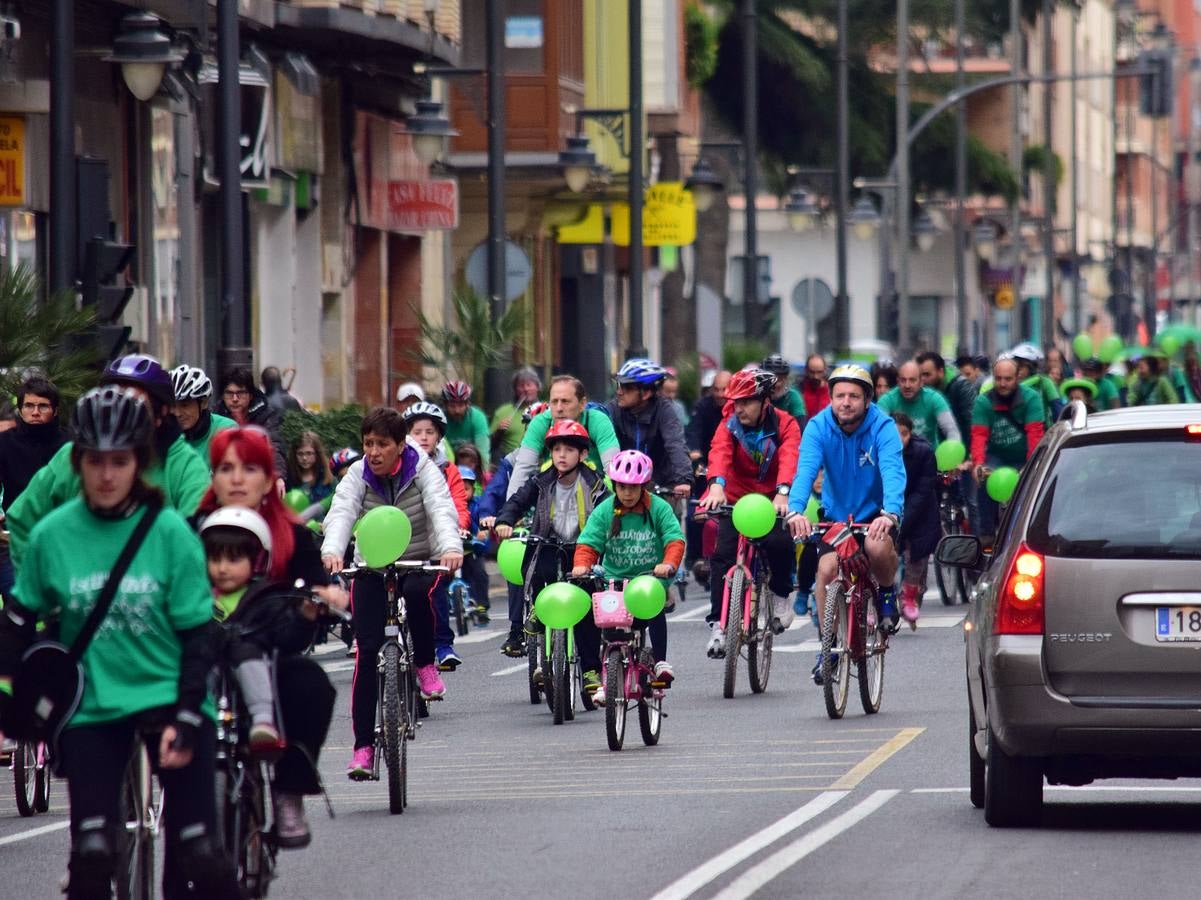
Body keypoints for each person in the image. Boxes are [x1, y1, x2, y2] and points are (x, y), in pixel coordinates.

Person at [0, 386, 241, 898]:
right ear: (77, 462)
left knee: (205, 859)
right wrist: (9, 697)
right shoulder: (53, 536)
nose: (107, 476)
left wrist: (187, 716)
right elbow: (16, 625)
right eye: (95, 462)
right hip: (92, 711)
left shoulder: (170, 532)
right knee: (91, 859)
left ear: (139, 462)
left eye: (120, 461)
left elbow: (199, 634)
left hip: (170, 699)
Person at [195, 426, 347, 846]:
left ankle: (288, 794)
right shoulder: (190, 530)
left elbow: (320, 589)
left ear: (268, 478)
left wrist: (321, 600)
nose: (237, 479)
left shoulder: (292, 534)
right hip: (199, 653)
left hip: (269, 652)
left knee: (312, 685)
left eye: (249, 468)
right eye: (225, 469)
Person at [321, 407, 462, 780]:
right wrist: (333, 551)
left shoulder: (423, 470)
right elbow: (341, 512)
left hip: (419, 558)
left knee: (418, 595)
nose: (374, 451)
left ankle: (425, 664)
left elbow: (441, 508)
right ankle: (363, 749)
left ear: (401, 445)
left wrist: (450, 548)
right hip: (372, 563)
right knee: (366, 653)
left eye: (382, 444)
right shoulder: (357, 475)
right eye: (368, 443)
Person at [6, 354, 211, 569]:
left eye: (134, 405)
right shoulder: (72, 455)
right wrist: (44, 585)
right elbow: (22, 521)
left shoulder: (184, 464)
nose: (120, 414)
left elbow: (195, 538)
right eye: (112, 400)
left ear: (161, 414)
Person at [786, 365, 907, 681]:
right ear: (831, 398)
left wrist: (890, 512)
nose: (846, 402)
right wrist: (795, 510)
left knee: (876, 547)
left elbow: (893, 471)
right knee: (826, 570)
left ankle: (885, 593)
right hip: (836, 517)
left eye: (854, 396)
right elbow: (805, 472)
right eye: (839, 395)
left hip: (877, 515)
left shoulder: (883, 426)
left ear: (867, 400)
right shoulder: (817, 427)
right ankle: (828, 648)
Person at [493, 420, 608, 689]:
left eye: (569, 450)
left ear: (582, 455)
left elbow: (607, 509)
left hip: (582, 549)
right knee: (534, 564)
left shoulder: (594, 483)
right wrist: (505, 519)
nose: (562, 455)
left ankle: (591, 671)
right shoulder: (541, 481)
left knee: (585, 608)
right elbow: (518, 500)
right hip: (547, 543)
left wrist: (607, 535)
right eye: (556, 450)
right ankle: (536, 609)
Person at [697, 368, 801, 655]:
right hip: (736, 499)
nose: (738, 408)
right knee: (722, 556)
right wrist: (716, 487)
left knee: (780, 542)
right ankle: (719, 624)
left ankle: (780, 595)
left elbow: (790, 456)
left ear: (764, 401)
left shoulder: (785, 424)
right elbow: (719, 453)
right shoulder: (729, 425)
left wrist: (783, 492)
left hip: (771, 499)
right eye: (735, 401)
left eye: (745, 402)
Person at [570, 450, 684, 698]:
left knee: (651, 599)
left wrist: (667, 564)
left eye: (634, 487)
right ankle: (597, 673)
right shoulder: (605, 511)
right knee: (590, 606)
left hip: (647, 579)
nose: (628, 493)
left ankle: (660, 661)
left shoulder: (659, 509)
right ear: (615, 485)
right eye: (622, 487)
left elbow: (674, 540)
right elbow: (588, 543)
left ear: (643, 486)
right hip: (614, 580)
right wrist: (582, 565)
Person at [200, 507, 288, 758]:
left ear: (258, 561)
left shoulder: (264, 596)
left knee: (247, 651)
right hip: (211, 666)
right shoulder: (200, 598)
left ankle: (263, 720)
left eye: (233, 559)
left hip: (248, 663)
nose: (222, 568)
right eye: (215, 560)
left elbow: (281, 627)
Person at [403, 401, 469, 669]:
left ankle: (442, 644)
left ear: (439, 437)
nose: (423, 437)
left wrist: (460, 527)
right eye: (417, 432)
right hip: (400, 540)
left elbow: (457, 503)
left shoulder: (447, 469)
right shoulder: (398, 465)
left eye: (429, 432)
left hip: (436, 542)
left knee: (434, 591)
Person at [0, 375, 68, 594]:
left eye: (43, 406)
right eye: (29, 405)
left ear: (55, 410)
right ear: (20, 409)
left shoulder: (70, 445)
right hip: (13, 539)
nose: (35, 412)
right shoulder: (5, 443)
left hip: (62, 540)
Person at [508, 375, 620, 499]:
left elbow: (613, 469)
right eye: (554, 402)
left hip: (595, 497)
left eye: (565, 401)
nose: (559, 408)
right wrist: (509, 514)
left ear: (582, 404)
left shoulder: (598, 421)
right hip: (553, 498)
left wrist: (612, 509)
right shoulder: (540, 423)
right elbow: (523, 469)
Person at [969, 356, 1045, 539]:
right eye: (998, 379)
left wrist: (1030, 466)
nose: (1002, 384)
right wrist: (978, 463)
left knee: (1030, 488)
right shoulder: (983, 402)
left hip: (1023, 455)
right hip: (997, 456)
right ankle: (986, 534)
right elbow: (979, 435)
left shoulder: (1031, 398)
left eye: (1008, 379)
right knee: (984, 480)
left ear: (1017, 378)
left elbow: (1035, 435)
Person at [605, 358, 693, 500]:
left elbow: (675, 444)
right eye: (619, 386)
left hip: (661, 484)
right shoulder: (613, 409)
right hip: (624, 484)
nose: (619, 392)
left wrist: (683, 480)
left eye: (627, 388)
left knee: (667, 518)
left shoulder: (665, 410)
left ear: (646, 393)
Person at [892, 413, 939, 622]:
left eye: (904, 433)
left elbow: (924, 488)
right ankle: (881, 596)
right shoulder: (877, 451)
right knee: (883, 550)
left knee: (917, 555)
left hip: (921, 509)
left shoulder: (923, 452)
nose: (899, 438)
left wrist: (905, 516)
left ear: (911, 434)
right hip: (889, 507)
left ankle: (909, 595)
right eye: (894, 434)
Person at [214, 366, 287, 481]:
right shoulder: (215, 415)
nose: (234, 399)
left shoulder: (266, 415)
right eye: (229, 393)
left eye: (240, 393)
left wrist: (278, 478)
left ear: (250, 395)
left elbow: (275, 447)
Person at [877, 360, 961, 449]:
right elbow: (878, 430)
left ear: (921, 382)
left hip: (929, 456)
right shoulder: (886, 400)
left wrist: (952, 453)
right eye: (903, 380)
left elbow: (951, 430)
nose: (907, 385)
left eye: (912, 380)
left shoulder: (934, 398)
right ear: (898, 381)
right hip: (896, 455)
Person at [169, 364, 236, 466]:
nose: (177, 413)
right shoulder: (164, 436)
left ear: (204, 403)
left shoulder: (226, 429)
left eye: (185, 405)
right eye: (173, 406)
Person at [453, 462, 490, 625]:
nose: (463, 493)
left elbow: (483, 520)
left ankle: (481, 604)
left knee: (479, 574)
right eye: (459, 489)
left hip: (472, 549)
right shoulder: (449, 506)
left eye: (466, 489)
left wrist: (482, 532)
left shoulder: (477, 505)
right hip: (453, 550)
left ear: (473, 489)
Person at [490, 367, 542, 458]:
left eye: (529, 385)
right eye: (521, 385)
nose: (526, 389)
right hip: (510, 465)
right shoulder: (503, 412)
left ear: (537, 387)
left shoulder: (547, 411)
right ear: (515, 390)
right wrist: (498, 432)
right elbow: (490, 446)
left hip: (540, 465)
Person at [286, 430, 336, 521]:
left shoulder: (327, 477)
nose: (304, 458)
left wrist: (319, 507)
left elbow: (338, 497)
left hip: (323, 530)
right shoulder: (288, 478)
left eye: (309, 453)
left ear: (317, 454)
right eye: (300, 454)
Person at [441, 379, 491, 470]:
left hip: (472, 465)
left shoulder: (477, 418)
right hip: (447, 466)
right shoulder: (440, 419)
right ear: (445, 405)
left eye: (460, 405)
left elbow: (483, 452)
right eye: (452, 406)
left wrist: (483, 476)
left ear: (468, 404)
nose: (457, 410)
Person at [1010, 342, 1062, 425]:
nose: (1018, 369)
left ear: (1032, 368)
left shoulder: (1044, 382)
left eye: (1022, 365)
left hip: (1041, 431)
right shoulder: (1009, 383)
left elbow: (1057, 408)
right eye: (1015, 365)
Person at [687, 369, 731, 460]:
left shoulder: (737, 406)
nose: (720, 394)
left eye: (724, 390)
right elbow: (694, 430)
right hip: (707, 457)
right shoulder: (702, 406)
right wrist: (694, 449)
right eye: (716, 389)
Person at [761, 353, 807, 422]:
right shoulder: (756, 397)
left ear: (785, 379)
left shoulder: (792, 397)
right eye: (770, 379)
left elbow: (801, 427)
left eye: (779, 379)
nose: (775, 384)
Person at [801, 354, 831, 419]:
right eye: (812, 372)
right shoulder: (799, 391)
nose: (815, 376)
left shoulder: (832, 391)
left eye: (819, 372)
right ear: (806, 370)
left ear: (825, 370)